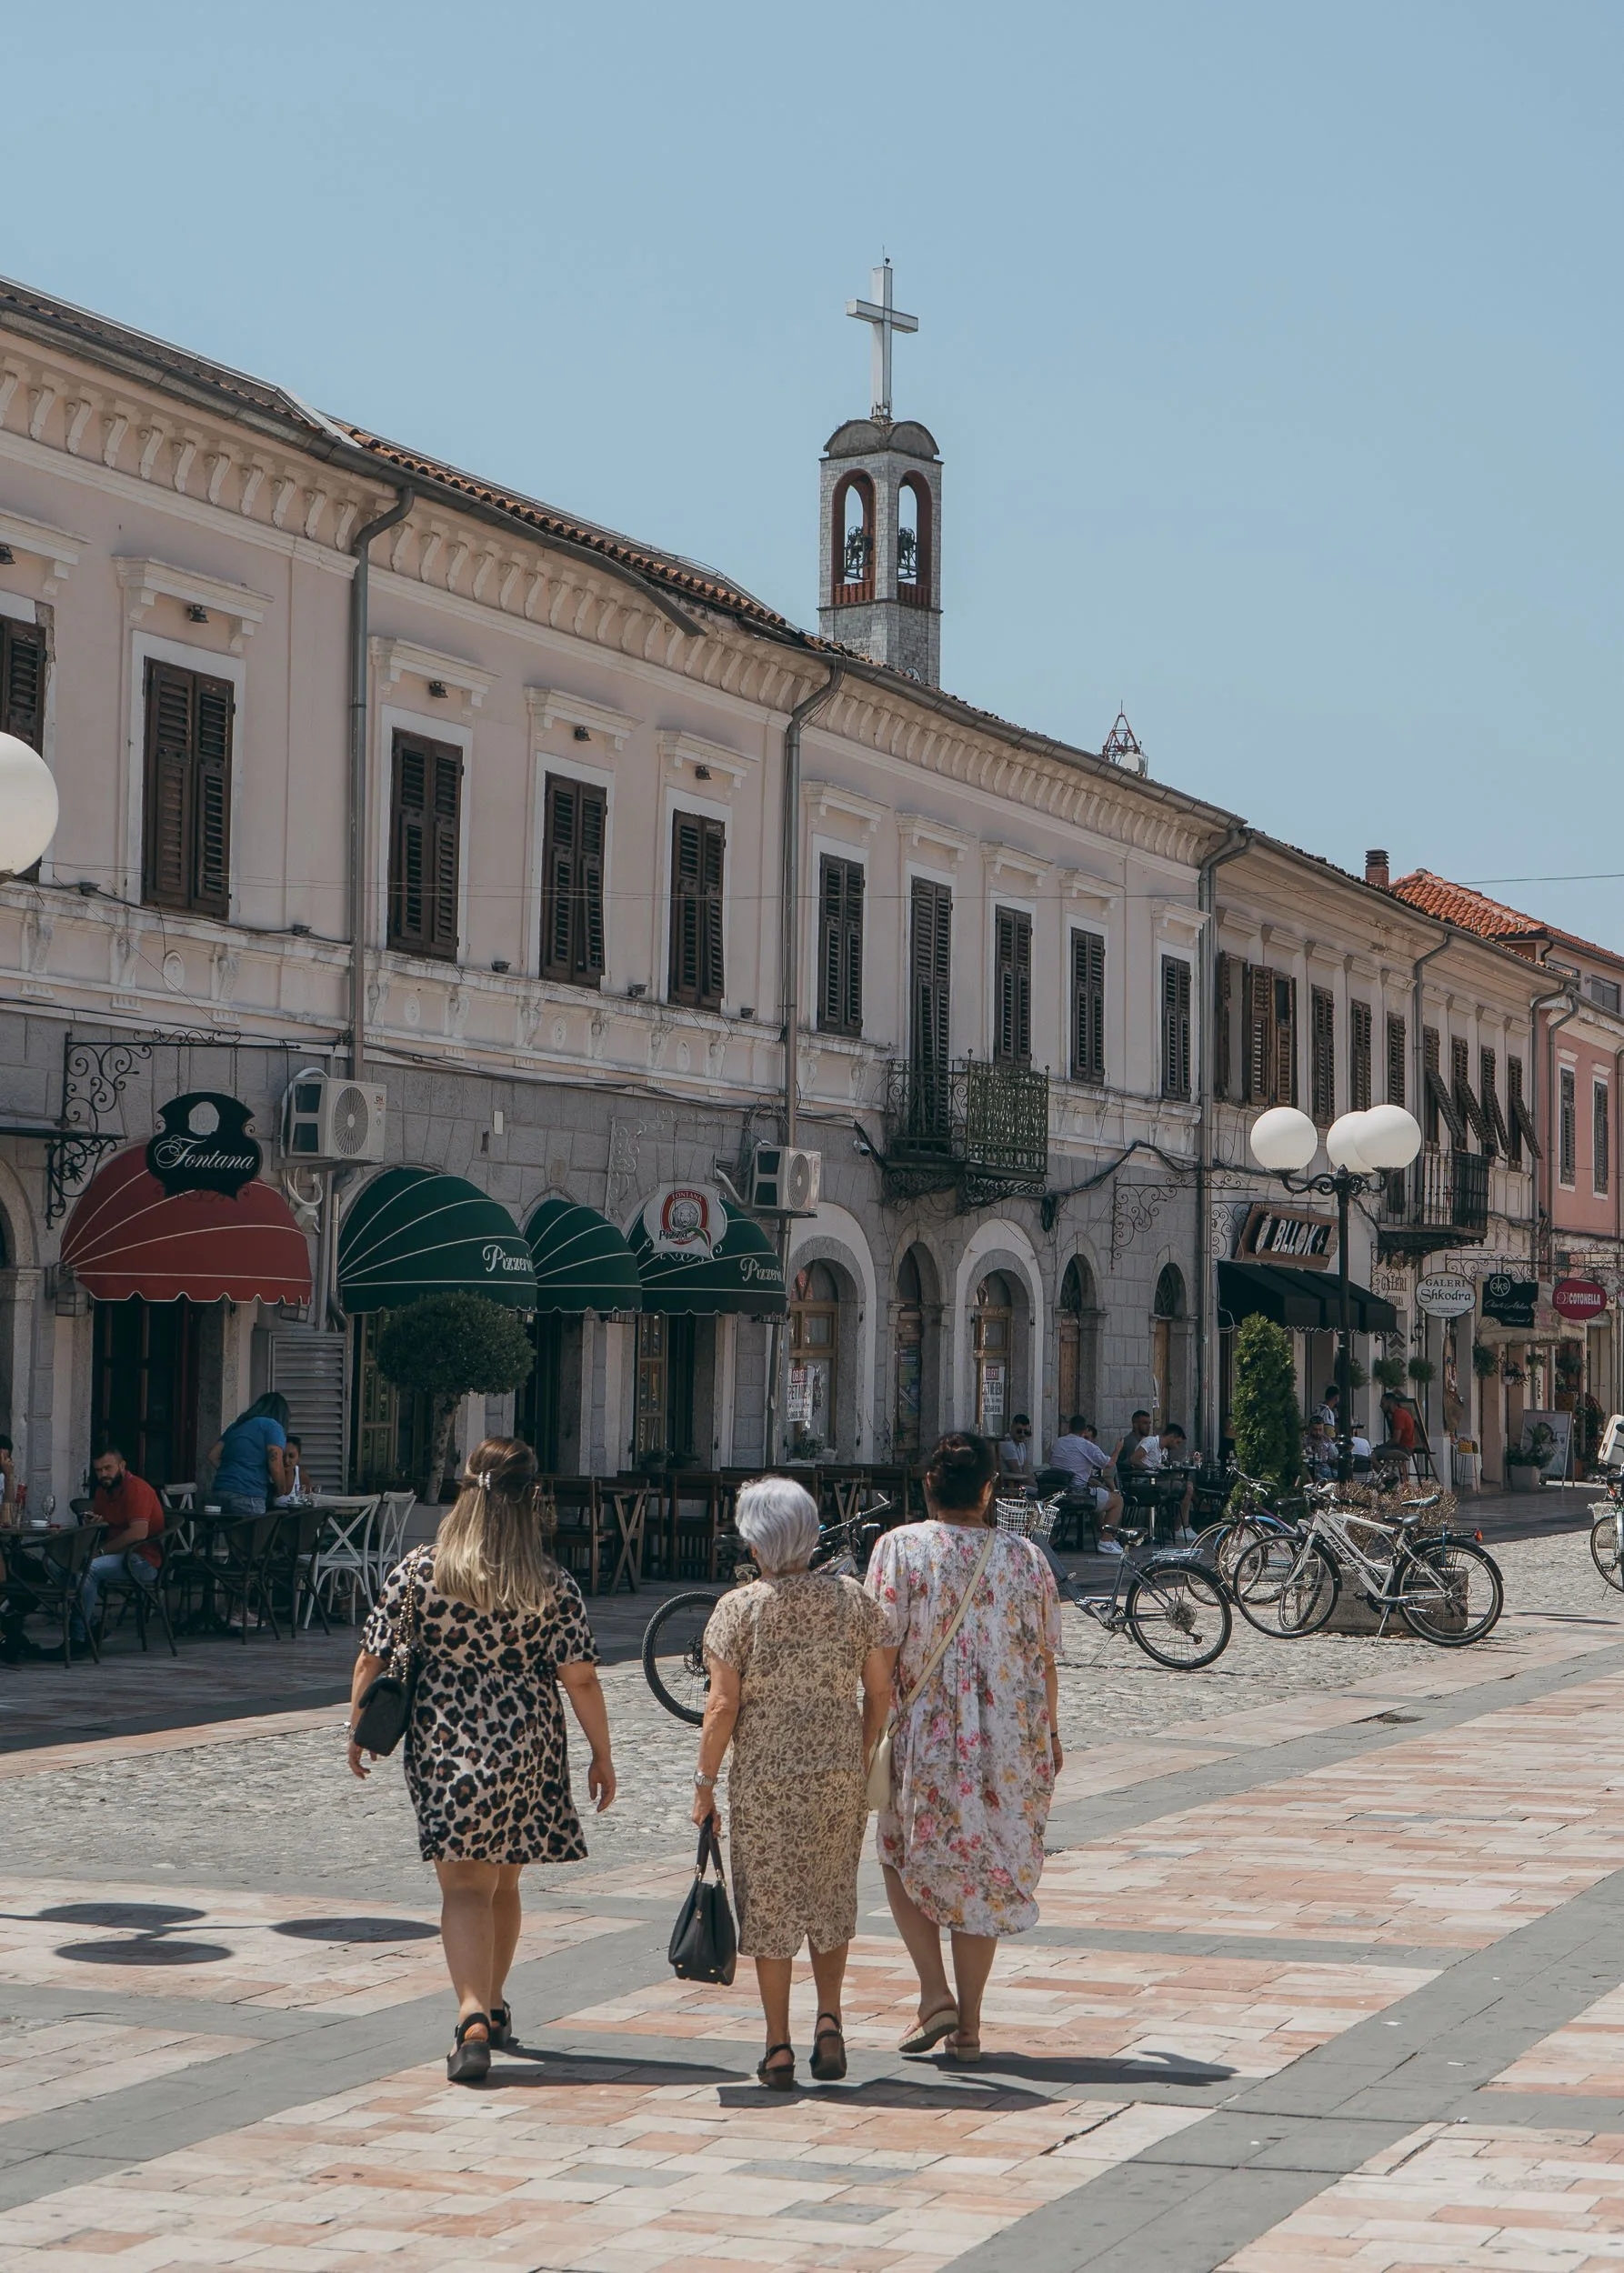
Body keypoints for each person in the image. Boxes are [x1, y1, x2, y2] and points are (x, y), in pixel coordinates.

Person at [348, 1436, 615, 2086]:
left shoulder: (420, 1569)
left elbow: (373, 1655)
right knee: (504, 1880)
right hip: (527, 1738)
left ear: (465, 1492)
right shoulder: (549, 1581)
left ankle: (470, 2016)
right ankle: (493, 2005)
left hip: (444, 1736)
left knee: (463, 1885)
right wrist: (601, 1754)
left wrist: (359, 1725)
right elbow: (579, 1677)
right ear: (532, 1500)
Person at [865, 1432, 1062, 2067]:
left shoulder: (899, 1549)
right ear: (988, 1491)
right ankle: (969, 2025)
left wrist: (870, 1729)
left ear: (926, 1488)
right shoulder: (1028, 1559)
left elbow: (881, 1654)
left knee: (901, 1851)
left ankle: (932, 1993)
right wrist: (1051, 1734)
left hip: (929, 1734)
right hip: (1012, 1740)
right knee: (988, 1866)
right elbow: (1046, 1658)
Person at [693, 1477, 891, 2089]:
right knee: (831, 1895)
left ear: (757, 1543)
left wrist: (704, 1782)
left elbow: (723, 1706)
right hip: (837, 1772)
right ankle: (828, 2022)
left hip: (765, 1780)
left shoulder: (739, 1607)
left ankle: (778, 2043)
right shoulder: (852, 1600)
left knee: (770, 1906)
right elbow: (881, 1690)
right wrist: (862, 1748)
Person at [74, 1444, 165, 1645]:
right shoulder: (102, 1491)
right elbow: (105, 1526)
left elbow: (138, 1532)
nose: (103, 1474)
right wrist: (94, 1524)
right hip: (115, 1556)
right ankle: (92, 1626)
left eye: (108, 1468)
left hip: (142, 1560)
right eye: (98, 1470)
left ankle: (79, 1639)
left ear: (122, 1466)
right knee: (59, 1564)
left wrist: (100, 1551)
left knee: (88, 1569)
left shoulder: (136, 1489)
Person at [1041, 1416, 1123, 1552]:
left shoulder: (1058, 1442)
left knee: (1101, 1495)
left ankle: (1110, 1538)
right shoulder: (1087, 1446)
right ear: (1085, 1431)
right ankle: (1106, 1541)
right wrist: (1118, 1449)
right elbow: (1109, 1464)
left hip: (1056, 1491)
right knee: (1117, 1501)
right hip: (1077, 1492)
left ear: (1069, 1427)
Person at [207, 1392, 293, 1516]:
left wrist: (232, 1473)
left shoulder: (237, 1426)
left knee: (225, 1534)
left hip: (221, 1491)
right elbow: (275, 1462)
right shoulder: (273, 1426)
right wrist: (281, 1489)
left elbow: (213, 1455)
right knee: (254, 1535)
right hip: (248, 1495)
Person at [997, 1416, 1033, 1487]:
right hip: (1008, 1486)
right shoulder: (1007, 1444)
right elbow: (1017, 1472)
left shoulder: (1022, 1445)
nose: (1022, 1434)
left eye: (1026, 1432)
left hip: (1019, 1484)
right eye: (1019, 1431)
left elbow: (1025, 1470)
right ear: (1012, 1427)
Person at [273, 1435, 308, 1507]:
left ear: (298, 1457)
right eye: (282, 1456)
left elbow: (308, 1501)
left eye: (291, 1456)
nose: (286, 1461)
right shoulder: (270, 1475)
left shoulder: (301, 1475)